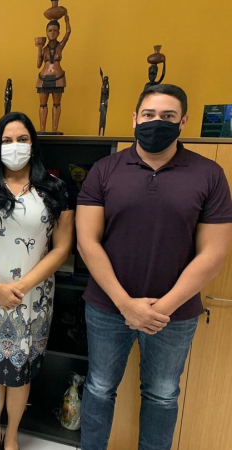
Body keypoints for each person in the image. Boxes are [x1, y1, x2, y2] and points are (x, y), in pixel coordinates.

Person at [76, 84, 232, 450]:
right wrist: (125, 304)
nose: (156, 122)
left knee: (162, 395)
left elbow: (213, 253)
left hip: (174, 315)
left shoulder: (209, 174)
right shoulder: (104, 170)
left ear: (183, 121)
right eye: (148, 115)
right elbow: (87, 242)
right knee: (99, 387)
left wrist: (161, 309)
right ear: (135, 118)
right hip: (107, 307)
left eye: (167, 116)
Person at [0, 112, 74, 450]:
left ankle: (11, 436)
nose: (15, 146)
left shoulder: (55, 189)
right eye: (7, 140)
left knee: (19, 370)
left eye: (22, 139)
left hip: (33, 298)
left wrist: (22, 287)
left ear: (33, 145)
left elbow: (63, 247)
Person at [35, 14, 71, 133]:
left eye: (55, 30)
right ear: (46, 32)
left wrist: (67, 21)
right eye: (50, 30)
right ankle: (42, 129)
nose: (52, 33)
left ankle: (55, 129)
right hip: (43, 77)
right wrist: (39, 48)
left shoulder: (60, 46)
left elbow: (68, 33)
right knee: (42, 105)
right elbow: (38, 64)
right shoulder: (44, 48)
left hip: (58, 77)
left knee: (56, 104)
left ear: (58, 32)